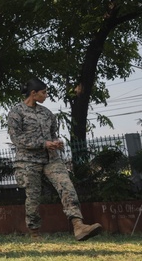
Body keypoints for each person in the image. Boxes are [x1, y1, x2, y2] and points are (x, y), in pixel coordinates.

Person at [6, 78, 102, 241]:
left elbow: (53, 134)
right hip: (28, 161)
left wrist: (56, 143)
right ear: (33, 93)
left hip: (51, 159)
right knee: (33, 197)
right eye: (44, 92)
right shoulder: (16, 112)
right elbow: (17, 139)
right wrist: (43, 143)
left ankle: (78, 226)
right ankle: (35, 233)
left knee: (66, 186)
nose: (46, 95)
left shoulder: (47, 113)